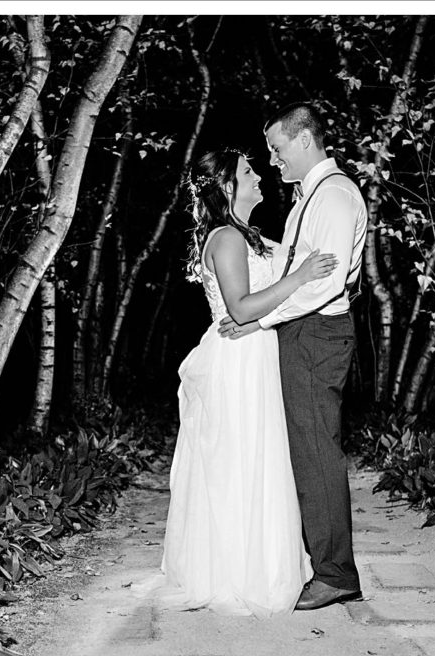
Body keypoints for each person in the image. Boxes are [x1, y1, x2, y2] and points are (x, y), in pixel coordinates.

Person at [150, 148, 337, 617]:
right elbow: (241, 308)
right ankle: (237, 572)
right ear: (227, 186)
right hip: (236, 364)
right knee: (239, 464)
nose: (259, 176)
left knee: (264, 461)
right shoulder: (226, 238)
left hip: (258, 353)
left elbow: (259, 310)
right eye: (248, 171)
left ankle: (265, 563)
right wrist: (297, 278)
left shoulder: (250, 236)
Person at [219, 102, 368, 610]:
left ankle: (335, 573)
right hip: (303, 331)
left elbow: (323, 285)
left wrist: (257, 320)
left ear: (304, 140)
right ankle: (321, 560)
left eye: (277, 149)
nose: (274, 161)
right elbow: (294, 266)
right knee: (304, 449)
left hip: (317, 331)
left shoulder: (337, 197)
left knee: (316, 450)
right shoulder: (312, 196)